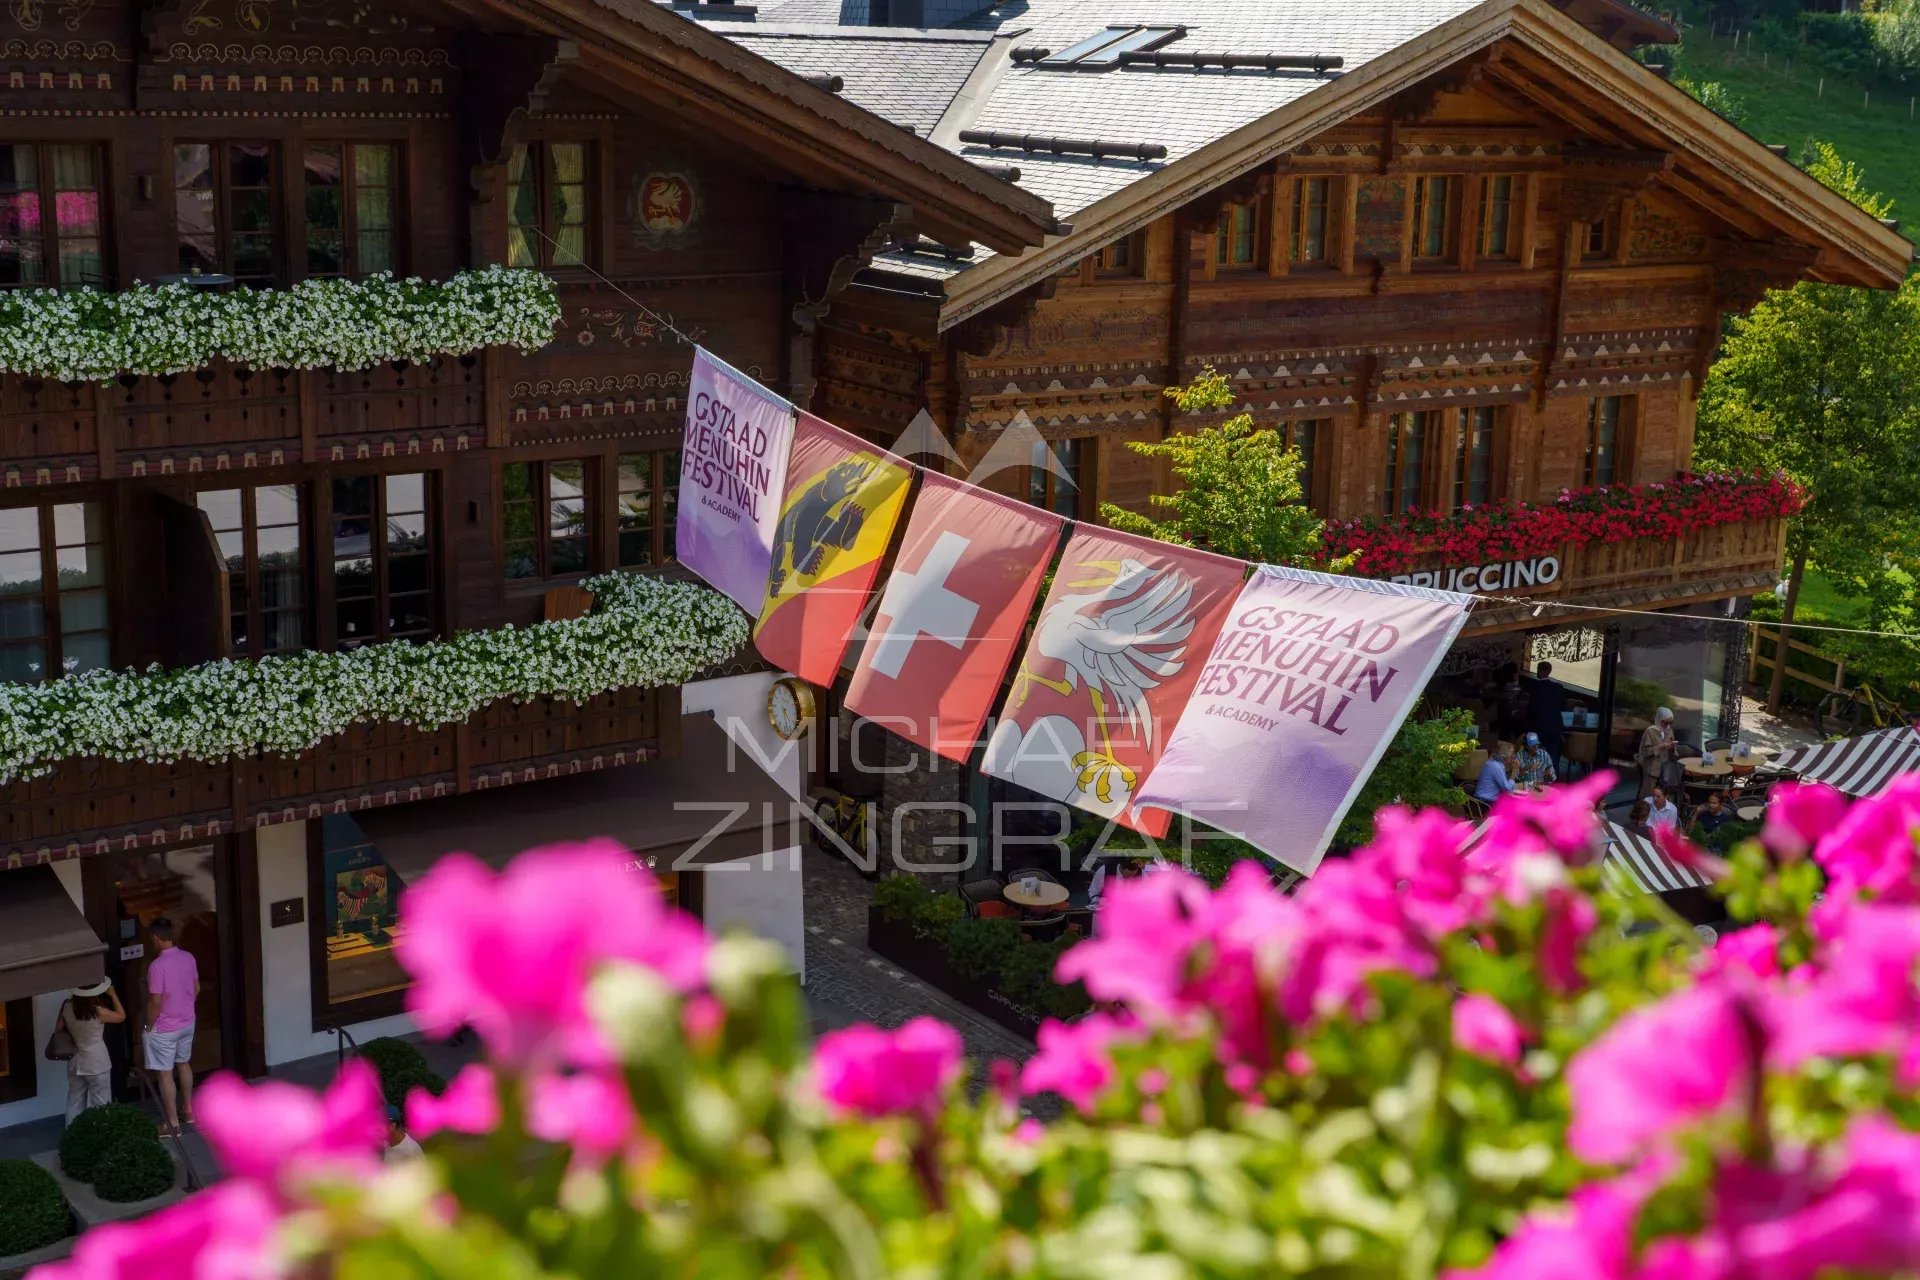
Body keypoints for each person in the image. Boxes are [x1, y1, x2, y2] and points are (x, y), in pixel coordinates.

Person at [144, 917, 200, 1136]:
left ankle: (172, 1125)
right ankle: (189, 1110)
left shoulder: (157, 966)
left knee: (165, 1074)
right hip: (188, 1021)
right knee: (184, 1064)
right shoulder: (188, 957)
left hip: (165, 1027)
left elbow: (155, 1001)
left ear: (156, 938)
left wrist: (149, 1024)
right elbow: (196, 989)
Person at [57, 979, 124, 1124]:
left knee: (74, 1101)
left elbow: (58, 1028)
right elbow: (121, 1016)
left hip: (75, 1060)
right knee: (101, 1102)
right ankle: (101, 1135)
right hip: (96, 1062)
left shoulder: (67, 1007)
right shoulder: (98, 1012)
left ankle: (72, 1136)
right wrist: (113, 995)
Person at [1526, 661, 1566, 761]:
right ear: (1550, 671)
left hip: (1538, 726)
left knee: (1535, 755)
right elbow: (1563, 706)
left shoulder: (1534, 687)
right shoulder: (1558, 687)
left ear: (1539, 671)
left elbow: (1531, 709)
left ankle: (1537, 775)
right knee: (1554, 757)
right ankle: (1553, 775)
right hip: (1555, 726)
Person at [1638, 706, 1677, 799]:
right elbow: (1644, 752)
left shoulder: (1669, 730)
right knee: (1648, 795)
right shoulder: (1650, 731)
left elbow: (1673, 750)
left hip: (1665, 768)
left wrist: (1672, 747)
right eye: (1665, 722)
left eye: (1670, 722)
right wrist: (1661, 746)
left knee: (1664, 794)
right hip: (1652, 769)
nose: (1667, 724)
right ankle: (1646, 812)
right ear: (1659, 719)